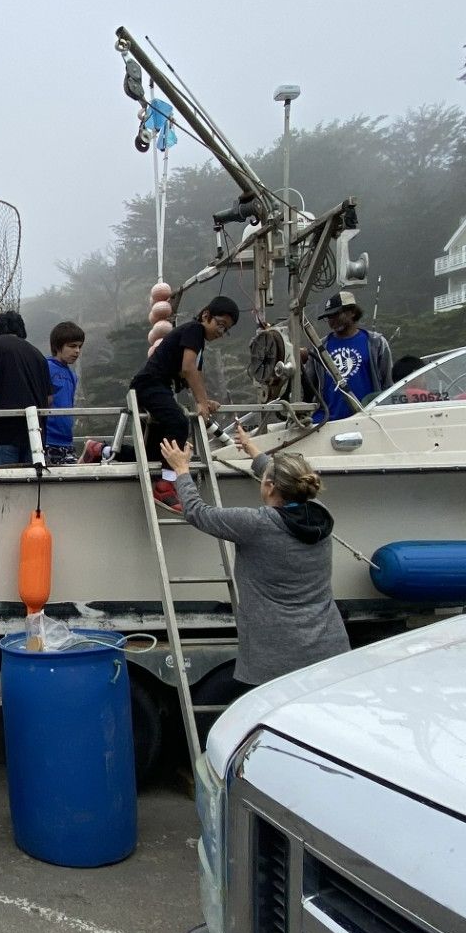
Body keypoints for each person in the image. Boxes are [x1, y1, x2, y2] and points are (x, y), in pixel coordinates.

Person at [161, 423, 348, 689]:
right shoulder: (320, 512)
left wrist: (181, 470)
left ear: (270, 487)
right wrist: (253, 451)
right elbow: (286, 481)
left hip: (278, 655)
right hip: (329, 647)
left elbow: (197, 512)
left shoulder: (257, 524)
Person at [128, 295, 238, 507]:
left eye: (226, 330)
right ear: (206, 315)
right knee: (179, 423)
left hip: (156, 386)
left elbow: (187, 373)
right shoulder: (194, 331)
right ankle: (166, 485)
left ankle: (99, 450)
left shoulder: (197, 340)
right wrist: (201, 401)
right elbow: (189, 369)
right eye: (220, 324)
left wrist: (206, 400)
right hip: (150, 384)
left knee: (153, 451)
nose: (220, 332)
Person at [0, 311, 53, 466]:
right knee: (28, 486)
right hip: (33, 435)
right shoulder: (38, 355)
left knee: (1, 484)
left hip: (1, 432)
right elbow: (49, 398)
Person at [303, 290, 392, 423]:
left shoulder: (376, 343)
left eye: (336, 315)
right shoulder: (320, 347)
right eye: (329, 317)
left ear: (352, 312)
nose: (332, 321)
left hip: (367, 419)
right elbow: (309, 386)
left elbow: (388, 385)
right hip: (328, 421)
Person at [44, 322, 85, 466]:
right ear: (57, 346)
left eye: (79, 346)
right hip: (47, 439)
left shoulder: (72, 375)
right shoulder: (45, 367)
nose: (77, 351)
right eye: (72, 346)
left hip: (66, 439)